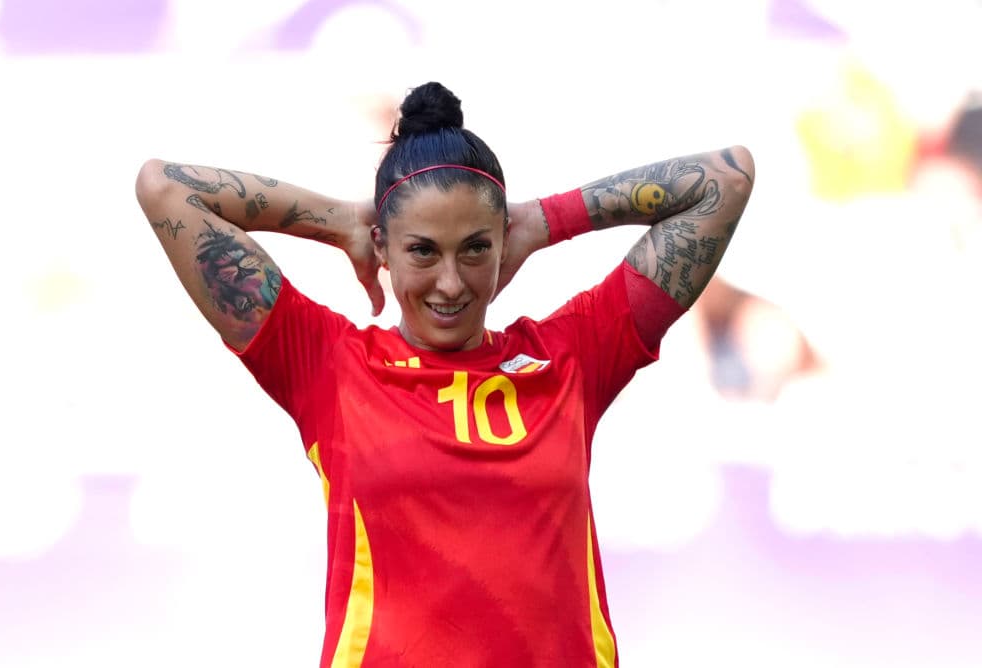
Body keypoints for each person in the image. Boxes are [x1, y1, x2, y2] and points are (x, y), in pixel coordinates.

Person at [135, 81, 755, 667]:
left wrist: (547, 219)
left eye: (476, 248)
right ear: (383, 247)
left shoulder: (574, 356)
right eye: (422, 250)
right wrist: (337, 220)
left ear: (504, 242)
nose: (452, 283)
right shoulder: (328, 365)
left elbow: (725, 180)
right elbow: (164, 188)